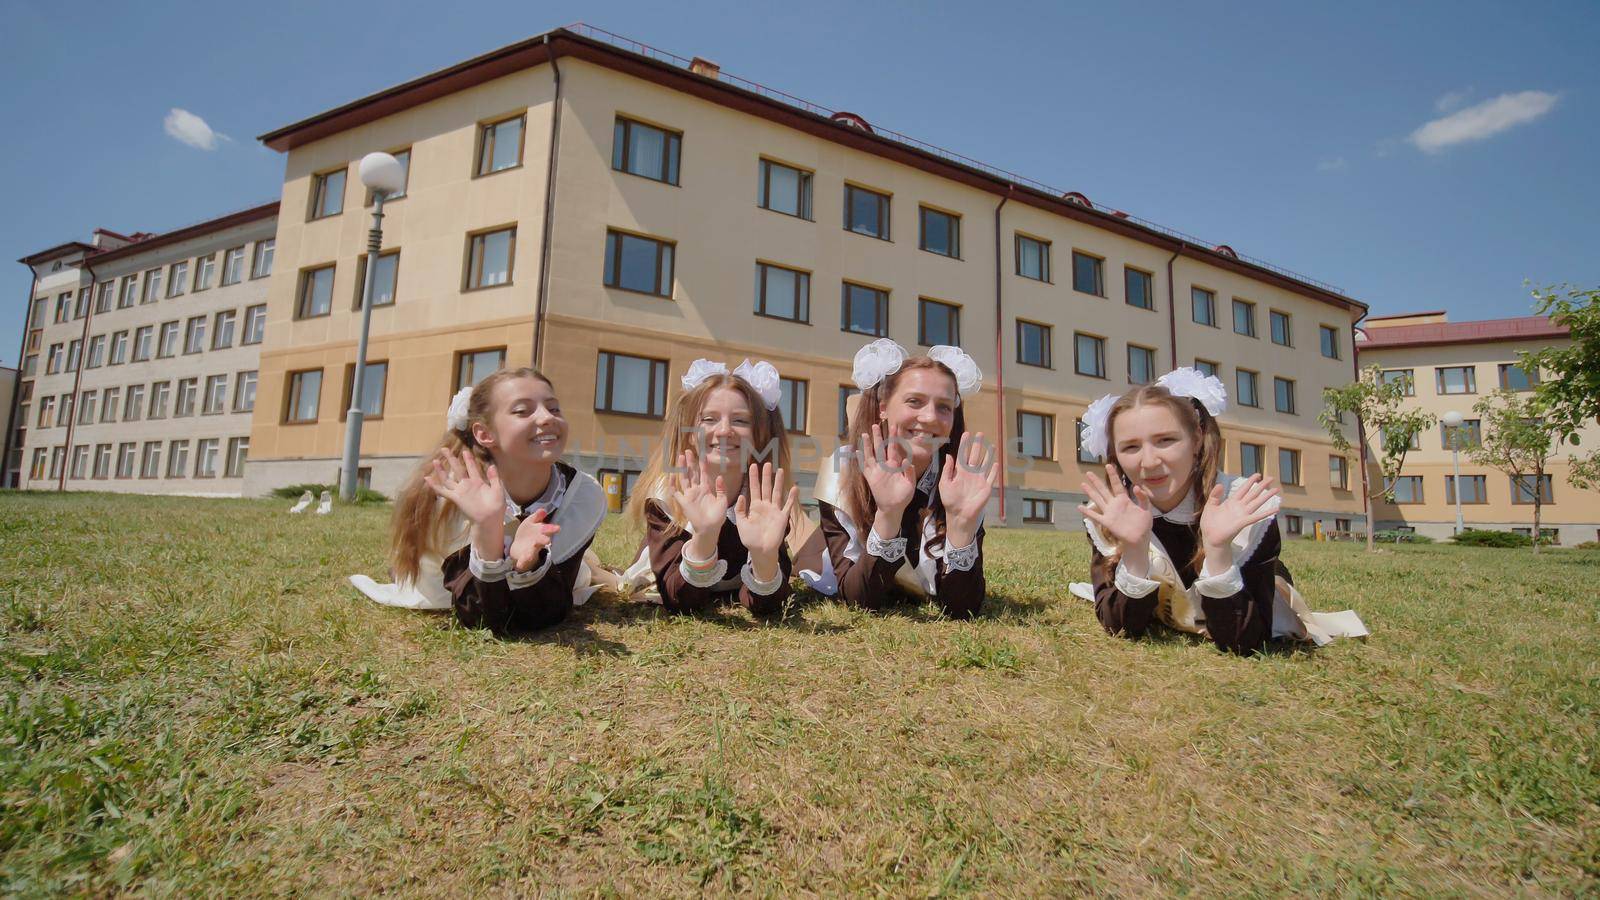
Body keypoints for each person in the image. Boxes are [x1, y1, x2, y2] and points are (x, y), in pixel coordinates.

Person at [1070, 367, 1368, 653]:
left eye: (1166, 440)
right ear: (1115, 455)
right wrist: (1134, 552)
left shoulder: (1244, 509)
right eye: (1131, 447)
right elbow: (1121, 628)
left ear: (1197, 439)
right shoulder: (1110, 515)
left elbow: (1244, 641)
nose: (1148, 462)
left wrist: (1218, 551)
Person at [373, 366, 606, 633]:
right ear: (485, 434)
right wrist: (487, 530)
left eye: (554, 409)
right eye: (522, 411)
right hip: (444, 584)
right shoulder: (456, 497)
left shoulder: (581, 495)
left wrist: (526, 564)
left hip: (529, 581)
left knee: (583, 571)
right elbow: (484, 619)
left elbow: (549, 610)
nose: (546, 418)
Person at [796, 339, 996, 618]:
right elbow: (860, 601)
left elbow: (962, 608)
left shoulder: (961, 479)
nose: (929, 417)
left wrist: (962, 527)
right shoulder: (842, 472)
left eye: (944, 407)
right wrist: (889, 515)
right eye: (914, 401)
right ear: (883, 407)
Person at [623, 359, 800, 615]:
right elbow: (681, 600)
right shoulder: (666, 496)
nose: (725, 430)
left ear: (760, 434)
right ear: (690, 433)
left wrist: (764, 558)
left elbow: (769, 606)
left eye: (741, 421)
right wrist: (705, 536)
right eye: (709, 419)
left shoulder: (766, 498)